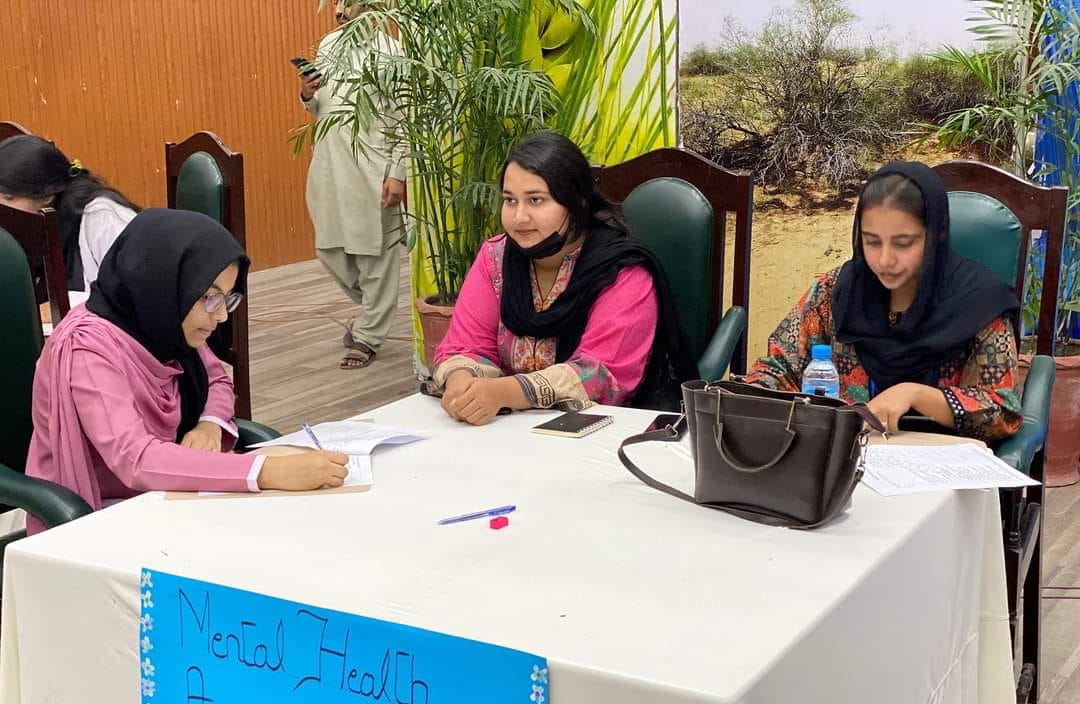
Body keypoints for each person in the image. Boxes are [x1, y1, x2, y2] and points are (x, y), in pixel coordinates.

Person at [24, 209, 348, 534]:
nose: (221, 316)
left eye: (227, 298)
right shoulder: (88, 349)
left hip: (171, 494)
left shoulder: (162, 323)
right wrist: (266, 471)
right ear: (163, 283)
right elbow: (135, 459)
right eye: (209, 297)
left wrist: (209, 424)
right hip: (104, 511)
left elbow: (217, 380)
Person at [742, 160, 1022, 441]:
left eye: (903, 243)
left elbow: (1003, 414)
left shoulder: (979, 303)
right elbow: (778, 369)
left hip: (943, 460)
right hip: (847, 455)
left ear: (935, 236)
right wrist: (748, 401)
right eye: (872, 242)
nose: (885, 259)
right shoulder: (836, 292)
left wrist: (915, 394)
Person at [432, 131, 698, 425]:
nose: (519, 217)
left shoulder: (621, 271)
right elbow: (467, 346)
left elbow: (600, 374)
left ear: (576, 202)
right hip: (504, 428)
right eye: (510, 200)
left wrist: (504, 392)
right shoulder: (495, 258)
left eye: (536, 200)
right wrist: (461, 383)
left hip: (605, 431)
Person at [300, 0, 407, 369]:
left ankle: (368, 336)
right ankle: (374, 311)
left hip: (373, 166)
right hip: (328, 165)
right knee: (329, 248)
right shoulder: (329, 45)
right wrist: (307, 94)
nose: (339, 10)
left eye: (348, 2)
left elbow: (404, 117)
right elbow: (320, 108)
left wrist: (398, 172)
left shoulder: (391, 52)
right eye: (337, 2)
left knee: (374, 254)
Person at [0, 134, 139, 307]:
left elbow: (136, 296)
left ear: (46, 196)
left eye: (8, 198)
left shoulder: (103, 218)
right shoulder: (33, 224)